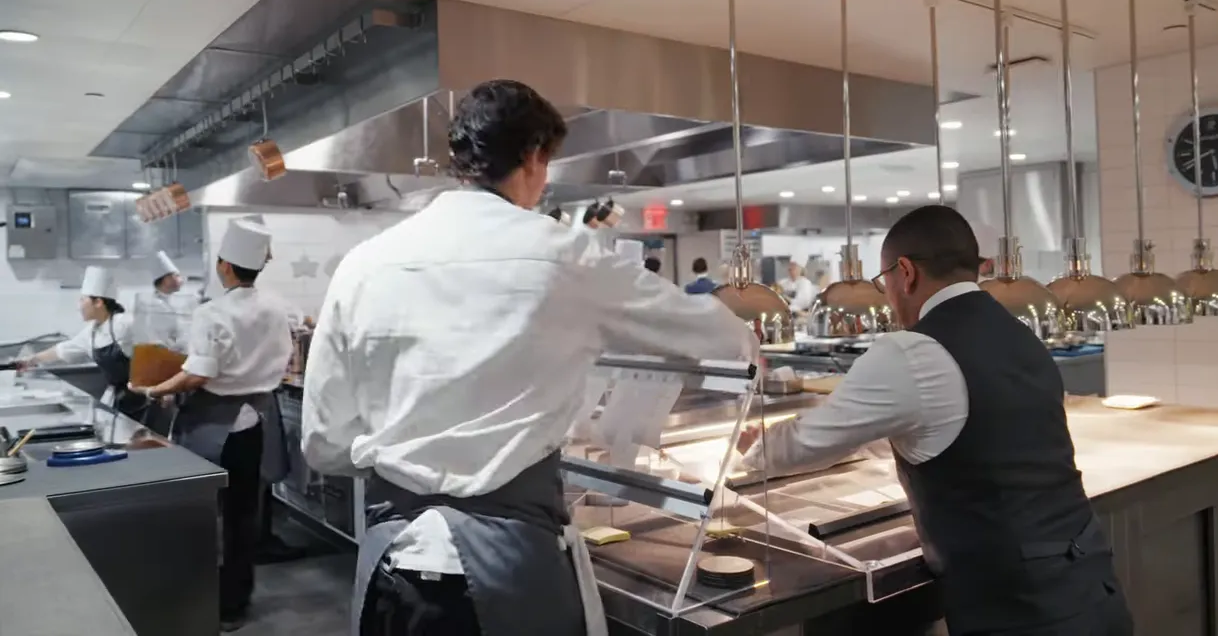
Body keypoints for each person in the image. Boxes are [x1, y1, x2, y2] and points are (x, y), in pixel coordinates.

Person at [301, 79, 756, 636]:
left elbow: (323, 441)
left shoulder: (363, 263)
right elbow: (719, 335)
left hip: (394, 565)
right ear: (535, 157)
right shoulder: (563, 255)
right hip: (509, 568)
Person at [737, 205, 1131, 636]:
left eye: (883, 280)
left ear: (904, 272)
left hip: (1019, 610)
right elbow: (940, 423)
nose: (886, 295)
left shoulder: (911, 351)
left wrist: (753, 450)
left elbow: (803, 443)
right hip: (1092, 588)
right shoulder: (1018, 332)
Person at [132, 219, 292, 632]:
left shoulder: (212, 312)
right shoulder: (277, 306)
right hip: (256, 421)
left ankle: (197, 600)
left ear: (225, 266)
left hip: (213, 426)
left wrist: (153, 391)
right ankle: (235, 604)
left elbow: (198, 375)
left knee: (200, 513)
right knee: (244, 516)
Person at [20, 266, 145, 419]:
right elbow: (63, 350)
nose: (79, 306)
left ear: (98, 302)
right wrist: (31, 360)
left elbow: (155, 352)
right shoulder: (92, 331)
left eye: (82, 300)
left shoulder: (124, 324)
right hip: (117, 398)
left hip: (142, 398)